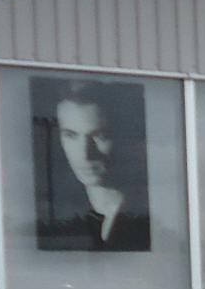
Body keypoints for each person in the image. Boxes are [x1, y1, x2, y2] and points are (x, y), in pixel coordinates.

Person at [39, 83, 152, 252]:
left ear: (124, 137)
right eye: (71, 135)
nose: (85, 154)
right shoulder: (56, 217)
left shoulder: (149, 212)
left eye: (100, 136)